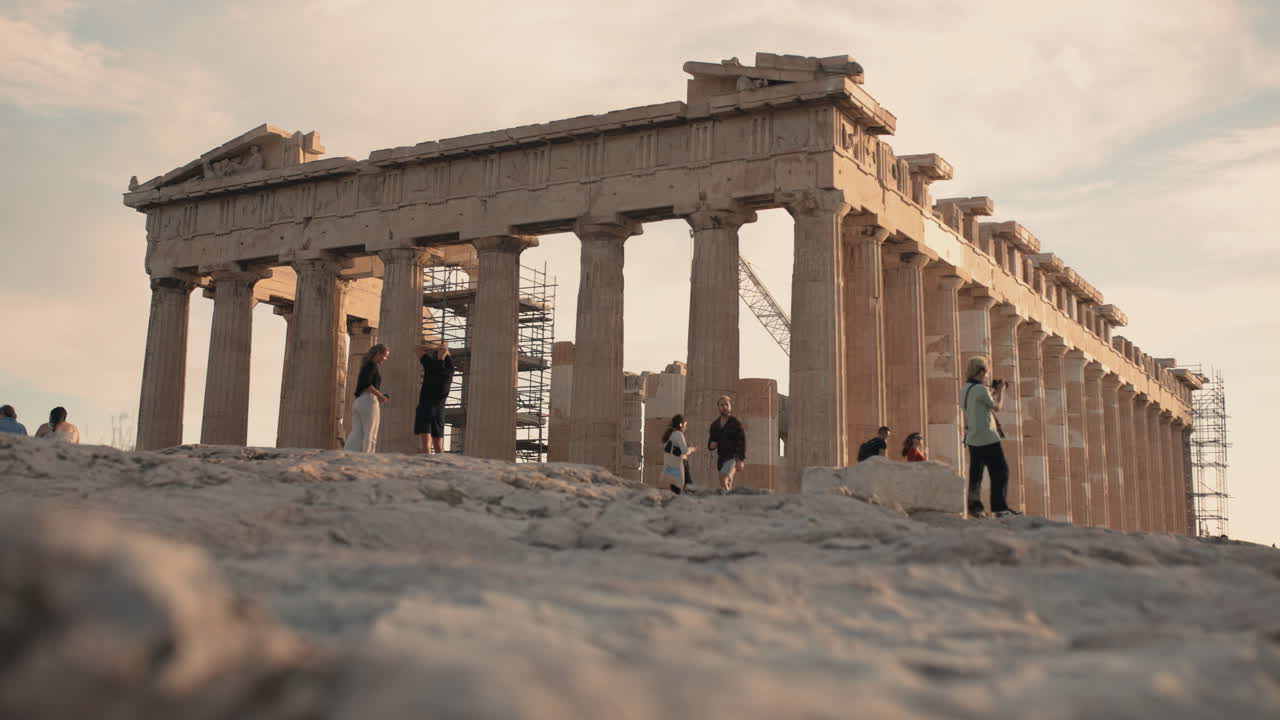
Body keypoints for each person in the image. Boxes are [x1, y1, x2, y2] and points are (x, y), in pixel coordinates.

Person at [962, 355, 1021, 518]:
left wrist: (991, 392)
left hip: (973, 437)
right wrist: (1000, 392)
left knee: (977, 473)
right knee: (1001, 471)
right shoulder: (981, 389)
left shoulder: (965, 389)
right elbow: (997, 407)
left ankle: (975, 507)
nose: (987, 376)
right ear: (981, 371)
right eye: (986, 372)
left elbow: (979, 405)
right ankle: (1000, 508)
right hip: (987, 436)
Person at [345, 344, 389, 452]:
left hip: (359, 401)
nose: (385, 359)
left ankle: (348, 454)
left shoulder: (365, 365)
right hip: (369, 401)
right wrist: (380, 396)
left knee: (357, 432)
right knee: (370, 432)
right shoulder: (372, 365)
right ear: (378, 353)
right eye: (385, 356)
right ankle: (368, 458)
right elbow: (367, 384)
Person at [415, 341, 455, 454]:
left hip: (431, 407)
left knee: (432, 443)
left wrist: (437, 349)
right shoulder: (445, 369)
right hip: (431, 408)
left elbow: (418, 348)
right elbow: (417, 348)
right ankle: (431, 465)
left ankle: (435, 465)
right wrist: (440, 349)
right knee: (430, 443)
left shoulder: (435, 367)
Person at [707, 395, 746, 491]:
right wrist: (711, 445)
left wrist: (740, 459)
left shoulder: (735, 423)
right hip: (721, 459)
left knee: (723, 478)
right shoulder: (715, 425)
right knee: (727, 483)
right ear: (718, 407)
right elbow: (711, 442)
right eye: (722, 405)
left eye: (726, 405)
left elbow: (742, 441)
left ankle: (727, 498)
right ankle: (729, 500)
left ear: (730, 407)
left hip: (733, 457)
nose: (724, 407)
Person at [661, 414, 697, 494]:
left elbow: (667, 448)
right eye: (685, 425)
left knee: (675, 486)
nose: (685, 427)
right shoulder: (678, 434)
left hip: (671, 464)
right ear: (681, 424)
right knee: (688, 486)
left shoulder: (670, 434)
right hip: (680, 463)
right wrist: (692, 449)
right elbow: (685, 451)